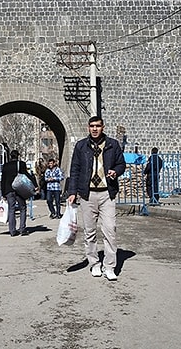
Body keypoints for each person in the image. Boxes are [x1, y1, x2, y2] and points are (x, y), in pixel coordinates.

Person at [67, 116, 126, 281]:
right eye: (92, 126)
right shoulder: (81, 146)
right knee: (90, 232)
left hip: (108, 193)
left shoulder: (112, 144)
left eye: (98, 126)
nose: (94, 129)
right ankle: (94, 264)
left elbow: (121, 164)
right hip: (88, 194)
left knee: (110, 230)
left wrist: (116, 171)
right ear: (88, 128)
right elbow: (75, 169)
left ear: (103, 127)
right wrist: (72, 191)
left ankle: (110, 266)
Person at [1, 150, 38, 236]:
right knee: (22, 208)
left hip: (8, 190)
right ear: (18, 156)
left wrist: (3, 193)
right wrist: (35, 184)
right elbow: (27, 175)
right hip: (19, 189)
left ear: (10, 156)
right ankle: (22, 229)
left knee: (11, 210)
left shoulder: (5, 166)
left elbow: (3, 180)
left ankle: (12, 231)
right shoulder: (21, 164)